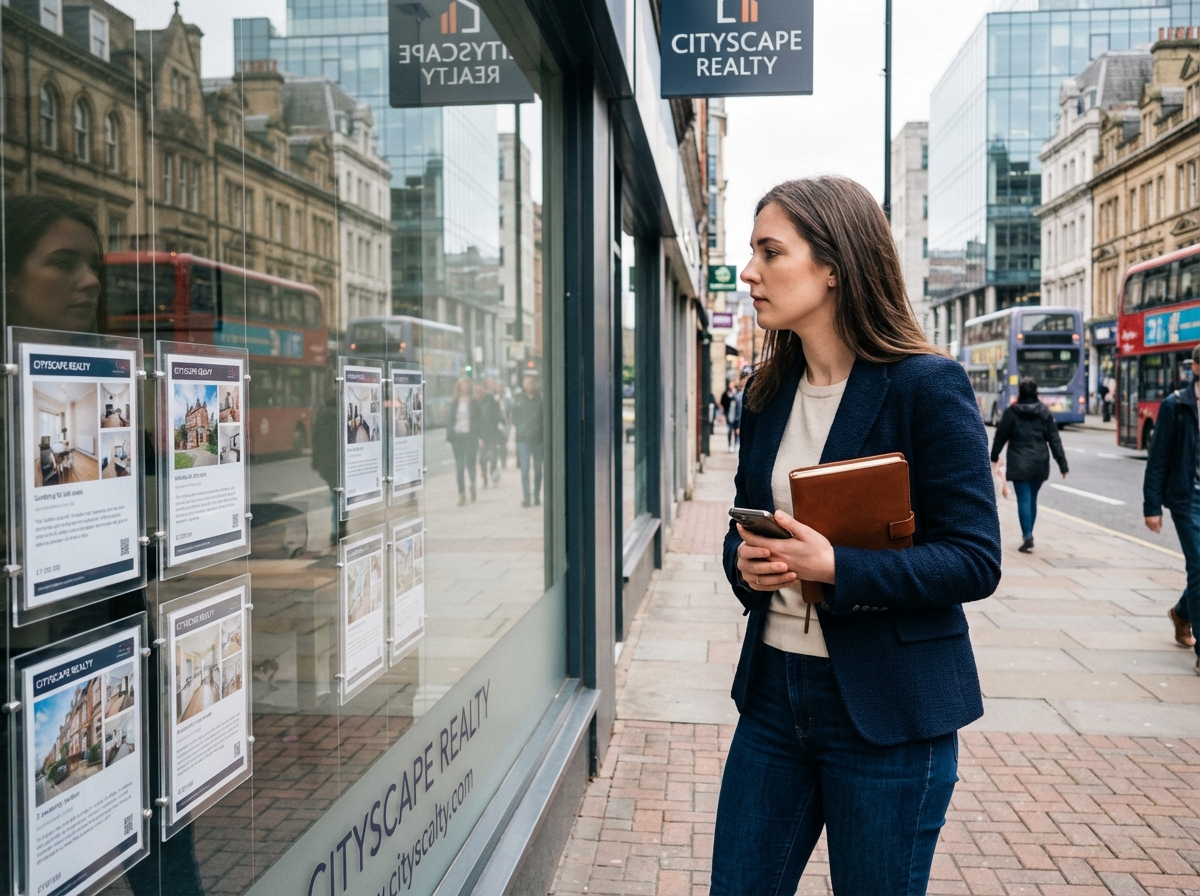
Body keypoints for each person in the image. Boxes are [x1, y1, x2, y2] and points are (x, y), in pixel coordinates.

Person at [714, 176, 1001, 895]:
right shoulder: (767, 394)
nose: (749, 272)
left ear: (833, 267)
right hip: (774, 696)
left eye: (770, 252)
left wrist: (837, 566)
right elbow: (741, 526)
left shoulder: (925, 386)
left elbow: (974, 558)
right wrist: (746, 563)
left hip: (887, 711)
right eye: (752, 253)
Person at [1143, 345, 1200, 670]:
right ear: (1196, 368)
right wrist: (1151, 505)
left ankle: (1181, 613)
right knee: (1199, 565)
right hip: (1187, 498)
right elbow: (1158, 458)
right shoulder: (1175, 405)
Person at [990, 377, 1069, 553]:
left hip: (1018, 462)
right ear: (1036, 392)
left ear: (1020, 393)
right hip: (1039, 462)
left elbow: (1000, 437)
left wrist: (993, 457)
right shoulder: (1044, 412)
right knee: (1032, 499)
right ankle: (1029, 533)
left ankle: (1027, 535)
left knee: (1023, 499)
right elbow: (1054, 440)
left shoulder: (1012, 412)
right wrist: (1063, 465)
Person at [512, 373, 544, 507]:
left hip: (537, 439)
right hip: (523, 439)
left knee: (538, 470)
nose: (529, 386)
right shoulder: (519, 399)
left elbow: (543, 417)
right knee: (524, 470)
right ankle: (526, 497)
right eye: (527, 383)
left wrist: (538, 429)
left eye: (531, 383)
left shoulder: (539, 399)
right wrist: (521, 428)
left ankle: (536, 495)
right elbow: (514, 417)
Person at [448, 377, 478, 505]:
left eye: (466, 385)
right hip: (458, 436)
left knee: (470, 463)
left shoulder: (473, 401)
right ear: (459, 388)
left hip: (470, 436)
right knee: (459, 466)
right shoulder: (455, 402)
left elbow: (478, 419)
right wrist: (449, 435)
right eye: (462, 386)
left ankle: (472, 484)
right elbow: (450, 419)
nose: (464, 388)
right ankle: (461, 494)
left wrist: (479, 436)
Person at [725, 382, 742, 452]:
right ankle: (730, 445)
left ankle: (736, 444)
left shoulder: (738, 396)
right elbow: (724, 403)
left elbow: (739, 406)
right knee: (729, 431)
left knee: (736, 431)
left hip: (736, 417)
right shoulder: (726, 394)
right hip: (730, 416)